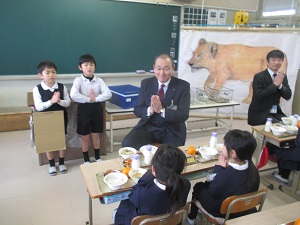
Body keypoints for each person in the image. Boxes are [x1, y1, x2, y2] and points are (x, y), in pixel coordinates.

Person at [186, 130, 260, 225]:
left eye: (225, 145)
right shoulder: (253, 170)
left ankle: (191, 218)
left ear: (233, 153)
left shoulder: (226, 175)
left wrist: (219, 168)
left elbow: (212, 190)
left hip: (223, 211)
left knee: (199, 187)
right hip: (243, 208)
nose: (223, 147)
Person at [122, 54, 190, 149]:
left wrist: (161, 110)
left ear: (172, 68)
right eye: (158, 68)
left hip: (172, 129)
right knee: (127, 144)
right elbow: (137, 109)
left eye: (166, 69)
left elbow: (183, 114)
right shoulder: (146, 83)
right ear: (154, 68)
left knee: (168, 155)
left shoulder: (183, 86)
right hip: (149, 126)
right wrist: (150, 110)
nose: (162, 73)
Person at [114, 144, 191, 225]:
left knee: (124, 203)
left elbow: (132, 193)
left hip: (145, 220)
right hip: (171, 221)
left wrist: (148, 175)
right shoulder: (186, 185)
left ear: (153, 169)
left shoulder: (143, 195)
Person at [70, 54, 112, 163]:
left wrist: (96, 99)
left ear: (95, 66)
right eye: (86, 65)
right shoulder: (78, 80)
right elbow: (73, 94)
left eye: (92, 65)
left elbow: (108, 94)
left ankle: (97, 156)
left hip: (96, 109)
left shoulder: (99, 80)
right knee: (85, 136)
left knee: (96, 134)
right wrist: (89, 99)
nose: (89, 67)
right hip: (83, 110)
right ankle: (86, 159)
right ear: (80, 67)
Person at [33, 61, 71, 176]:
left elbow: (68, 103)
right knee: (48, 141)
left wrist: (59, 101)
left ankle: (62, 163)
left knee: (61, 139)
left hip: (60, 117)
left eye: (53, 72)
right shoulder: (37, 89)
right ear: (41, 75)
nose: (51, 75)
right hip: (45, 119)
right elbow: (38, 107)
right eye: (47, 72)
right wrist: (51, 101)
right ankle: (51, 164)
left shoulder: (61, 87)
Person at [248, 49, 292, 126]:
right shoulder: (259, 76)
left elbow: (288, 96)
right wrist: (274, 85)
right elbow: (258, 96)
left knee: (290, 124)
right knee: (280, 126)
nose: (276, 62)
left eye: (279, 60)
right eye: (273, 60)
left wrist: (280, 85)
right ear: (268, 61)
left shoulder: (282, 77)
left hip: (275, 112)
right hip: (259, 113)